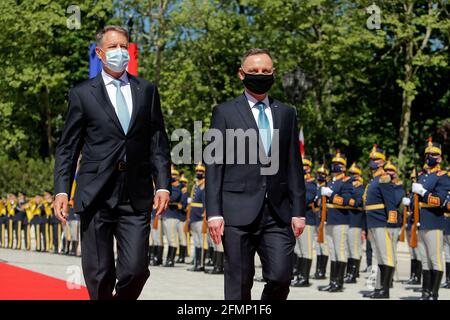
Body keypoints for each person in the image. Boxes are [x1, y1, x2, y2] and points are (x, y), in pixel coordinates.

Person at [53, 25, 171, 300]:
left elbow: (158, 142)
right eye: (113, 47)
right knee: (99, 271)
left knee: (136, 269)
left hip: (136, 193)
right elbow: (68, 147)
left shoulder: (146, 91)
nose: (120, 52)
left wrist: (163, 184)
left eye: (123, 46)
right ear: (100, 53)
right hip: (95, 193)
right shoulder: (83, 93)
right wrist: (61, 189)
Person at [205, 48, 306, 300]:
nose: (260, 75)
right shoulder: (224, 112)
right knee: (239, 282)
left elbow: (294, 164)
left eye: (265, 71)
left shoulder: (287, 113)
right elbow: (214, 165)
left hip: (278, 212)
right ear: (241, 74)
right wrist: (214, 212)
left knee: (281, 277)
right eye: (254, 71)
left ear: (273, 73)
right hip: (236, 212)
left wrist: (299, 211)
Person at [411, 138, 450, 300]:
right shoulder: (422, 176)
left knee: (435, 259)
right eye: (427, 154)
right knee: (424, 260)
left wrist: (423, 193)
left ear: (440, 158)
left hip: (434, 221)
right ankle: (425, 292)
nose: (429, 157)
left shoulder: (443, 176)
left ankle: (434, 293)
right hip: (421, 221)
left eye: (433, 154)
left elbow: (440, 201)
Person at [362, 145, 396, 299]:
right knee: (379, 256)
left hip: (382, 222)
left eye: (376, 159)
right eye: (371, 159)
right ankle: (379, 288)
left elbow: (391, 203)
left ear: (382, 162)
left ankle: (385, 290)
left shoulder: (384, 178)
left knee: (386, 256)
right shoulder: (374, 180)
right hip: (372, 222)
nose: (372, 161)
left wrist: (391, 223)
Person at [318, 151, 353, 293]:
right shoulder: (330, 182)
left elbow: (348, 201)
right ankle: (332, 282)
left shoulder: (347, 181)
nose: (335, 166)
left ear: (344, 167)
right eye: (334, 164)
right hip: (330, 219)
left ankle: (339, 283)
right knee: (332, 251)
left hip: (340, 220)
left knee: (340, 251)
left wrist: (331, 195)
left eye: (338, 164)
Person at [291, 155, 316, 287]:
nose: (303, 168)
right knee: (298, 250)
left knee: (306, 250)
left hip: (308, 220)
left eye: (305, 166)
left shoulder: (311, 183)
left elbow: (306, 199)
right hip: (296, 220)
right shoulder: (297, 180)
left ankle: (305, 278)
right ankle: (299, 275)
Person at [344, 162, 365, 283]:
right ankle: (349, 273)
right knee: (348, 248)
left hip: (356, 222)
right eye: (350, 173)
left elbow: (357, 202)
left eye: (354, 174)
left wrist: (345, 199)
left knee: (354, 248)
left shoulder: (360, 188)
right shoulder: (348, 186)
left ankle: (353, 274)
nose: (352, 175)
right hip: (348, 220)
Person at [312, 164, 329, 279]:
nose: (320, 176)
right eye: (319, 173)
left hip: (324, 220)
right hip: (316, 219)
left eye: (323, 174)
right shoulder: (317, 187)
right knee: (318, 246)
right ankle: (318, 270)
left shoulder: (327, 188)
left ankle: (322, 271)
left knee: (324, 247)